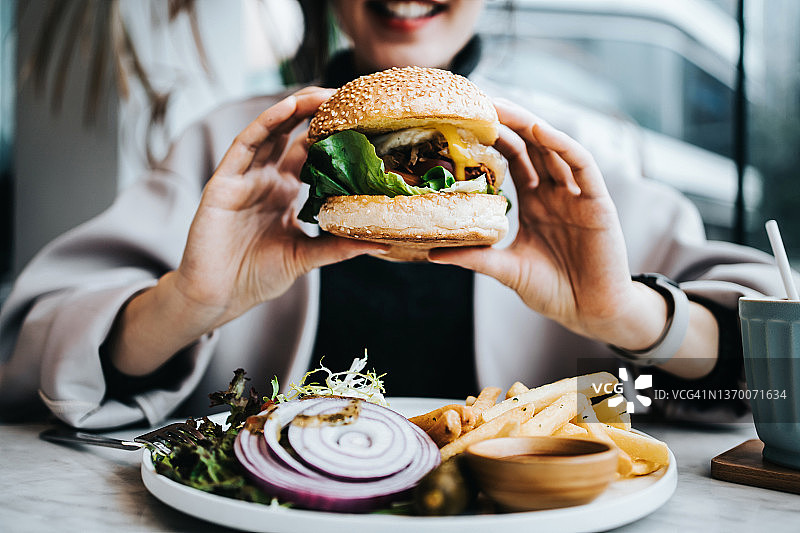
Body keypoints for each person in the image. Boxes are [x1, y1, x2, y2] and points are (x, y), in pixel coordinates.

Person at [0, 0, 784, 428]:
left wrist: (630, 313)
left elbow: (771, 372)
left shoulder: (570, 156)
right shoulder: (227, 146)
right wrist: (186, 303)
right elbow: (25, 359)